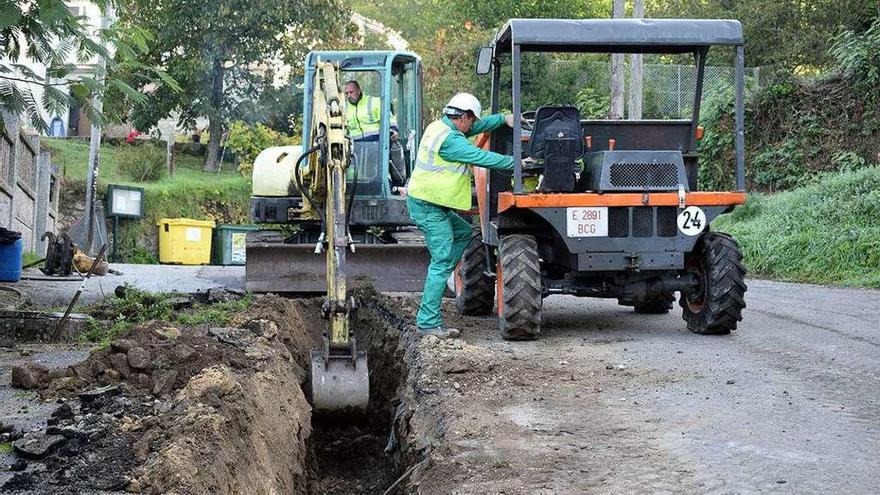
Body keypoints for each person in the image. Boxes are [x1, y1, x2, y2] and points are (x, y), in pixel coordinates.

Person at [406, 93, 515, 339]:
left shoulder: (441, 127)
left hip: (432, 202)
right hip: (428, 206)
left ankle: (441, 271)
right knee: (443, 259)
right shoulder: (452, 142)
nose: (474, 125)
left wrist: (502, 119)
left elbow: (480, 125)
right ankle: (427, 323)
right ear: (463, 118)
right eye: (471, 121)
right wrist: (517, 163)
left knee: (464, 232)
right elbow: (482, 157)